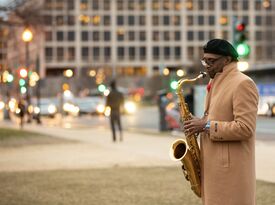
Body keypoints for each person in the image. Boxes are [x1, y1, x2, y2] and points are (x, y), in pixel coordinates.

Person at [183, 39, 259, 205]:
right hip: (214, 168)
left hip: (231, 172)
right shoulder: (215, 81)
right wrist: (200, 122)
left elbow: (245, 128)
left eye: (212, 61)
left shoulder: (243, 83)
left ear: (227, 60)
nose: (207, 65)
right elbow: (217, 117)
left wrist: (206, 125)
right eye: (205, 60)